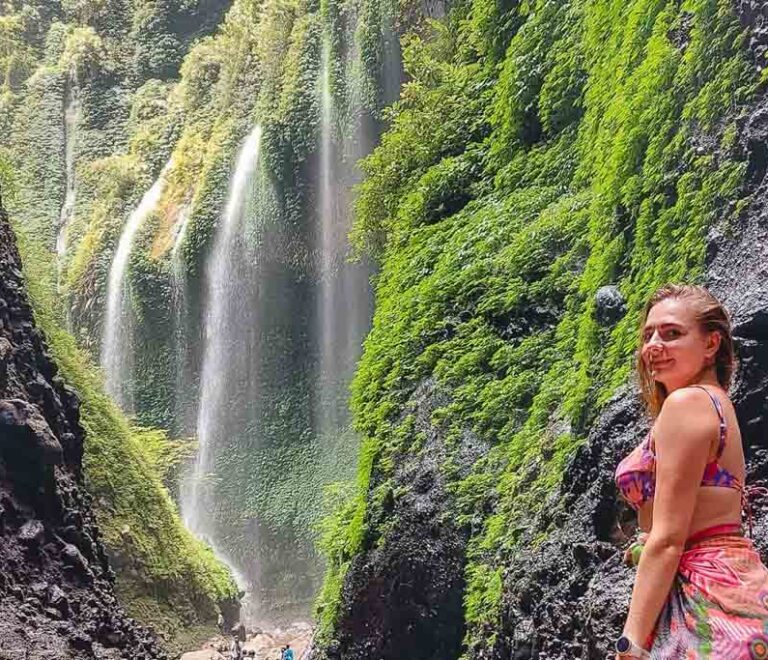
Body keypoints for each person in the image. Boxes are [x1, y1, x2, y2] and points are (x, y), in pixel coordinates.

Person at [614, 284, 768, 659]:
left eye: (672, 333)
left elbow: (668, 540)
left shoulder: (687, 404)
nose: (653, 345)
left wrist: (629, 646)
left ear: (711, 344)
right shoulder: (716, 404)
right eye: (648, 334)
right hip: (733, 586)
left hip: (703, 603)